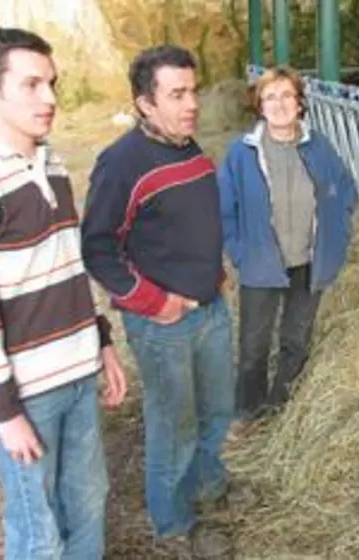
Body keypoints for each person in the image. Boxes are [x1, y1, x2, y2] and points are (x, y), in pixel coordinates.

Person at [0, 27, 128, 559]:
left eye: (53, 84)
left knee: (89, 504)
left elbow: (67, 267)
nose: (50, 99)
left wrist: (102, 341)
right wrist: (5, 410)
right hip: (26, 393)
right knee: (37, 531)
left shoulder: (55, 165)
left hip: (76, 372)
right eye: (32, 85)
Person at [80, 45, 234, 559]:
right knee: (175, 426)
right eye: (177, 94)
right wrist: (154, 301)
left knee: (217, 411)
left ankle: (207, 488)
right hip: (165, 323)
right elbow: (98, 247)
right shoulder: (121, 163)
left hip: (211, 308)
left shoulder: (191, 149)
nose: (192, 104)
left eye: (193, 91)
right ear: (145, 103)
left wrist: (214, 271)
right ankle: (172, 527)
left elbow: (191, 222)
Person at [217, 66, 357, 437]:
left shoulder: (319, 146)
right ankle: (247, 410)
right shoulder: (241, 154)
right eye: (270, 97)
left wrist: (336, 238)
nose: (279, 104)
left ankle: (281, 407)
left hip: (309, 262)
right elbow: (224, 208)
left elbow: (344, 190)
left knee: (296, 339)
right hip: (262, 263)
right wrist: (239, 252)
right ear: (259, 106)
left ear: (300, 104)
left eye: (287, 96)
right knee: (253, 344)